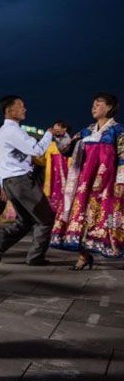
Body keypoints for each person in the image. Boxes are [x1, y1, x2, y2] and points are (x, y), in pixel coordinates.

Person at [51, 93, 124, 268]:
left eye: (98, 104)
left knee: (107, 217)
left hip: (107, 183)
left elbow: (123, 155)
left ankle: (112, 249)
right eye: (93, 104)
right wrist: (60, 136)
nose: (94, 107)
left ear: (110, 107)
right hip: (86, 183)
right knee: (82, 216)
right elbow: (67, 150)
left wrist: (121, 180)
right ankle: (84, 256)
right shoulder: (86, 131)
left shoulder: (118, 130)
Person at [0, 95, 54, 266]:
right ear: (9, 110)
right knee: (45, 219)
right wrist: (49, 134)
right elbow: (37, 150)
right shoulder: (13, 130)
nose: (25, 109)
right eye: (20, 106)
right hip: (22, 181)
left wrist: (2, 183)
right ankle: (35, 257)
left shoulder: (2, 132)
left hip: (11, 182)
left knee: (26, 220)